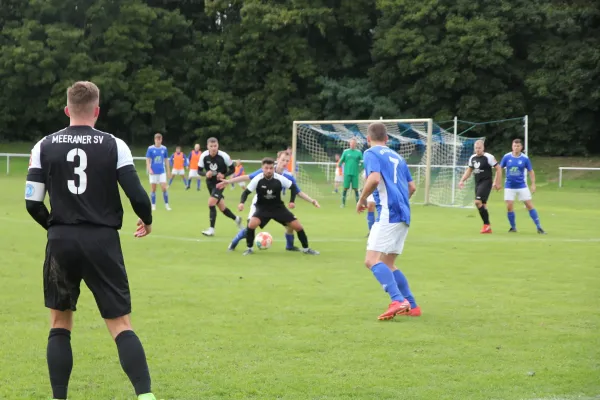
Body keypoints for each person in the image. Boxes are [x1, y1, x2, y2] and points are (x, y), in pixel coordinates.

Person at [24, 81, 157, 400]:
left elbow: (32, 203)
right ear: (97, 111)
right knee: (120, 324)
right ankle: (145, 396)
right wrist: (147, 221)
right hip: (102, 240)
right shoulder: (115, 145)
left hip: (61, 240)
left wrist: (56, 229)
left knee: (59, 322)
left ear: (67, 110)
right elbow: (138, 196)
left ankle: (59, 397)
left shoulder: (44, 145)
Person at [357, 122, 418, 321]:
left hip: (388, 214)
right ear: (387, 139)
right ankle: (412, 305)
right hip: (404, 214)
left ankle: (397, 300)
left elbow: (374, 179)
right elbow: (412, 188)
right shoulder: (398, 157)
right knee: (388, 263)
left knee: (371, 260)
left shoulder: (370, 153)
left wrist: (362, 198)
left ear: (368, 139)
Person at [218, 150, 320, 251]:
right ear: (277, 160)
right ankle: (235, 242)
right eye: (283, 160)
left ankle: (289, 246)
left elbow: (298, 192)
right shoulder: (266, 170)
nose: (284, 162)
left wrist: (312, 201)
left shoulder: (287, 177)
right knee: (250, 227)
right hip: (259, 203)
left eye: (287, 161)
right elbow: (247, 177)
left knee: (291, 224)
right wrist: (229, 181)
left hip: (275, 205)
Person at [498, 139, 546, 234]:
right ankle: (513, 227)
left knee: (529, 205)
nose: (516, 147)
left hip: (522, 186)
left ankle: (539, 227)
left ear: (521, 147)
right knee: (509, 206)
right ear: (512, 146)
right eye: (514, 146)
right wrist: (497, 182)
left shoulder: (525, 158)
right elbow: (499, 169)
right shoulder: (506, 157)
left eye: (518, 146)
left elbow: (531, 171)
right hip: (509, 186)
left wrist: (533, 184)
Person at [197, 137, 243, 236]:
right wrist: (206, 174)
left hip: (220, 183)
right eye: (211, 146)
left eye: (215, 146)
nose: (213, 148)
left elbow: (232, 169)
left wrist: (224, 175)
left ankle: (211, 229)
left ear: (218, 146)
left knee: (211, 203)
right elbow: (199, 170)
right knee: (222, 208)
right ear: (207, 146)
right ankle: (237, 219)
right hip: (210, 183)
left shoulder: (224, 156)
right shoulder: (203, 156)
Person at [458, 140, 502, 233]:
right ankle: (487, 227)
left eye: (479, 148)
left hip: (486, 182)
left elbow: (498, 168)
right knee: (483, 205)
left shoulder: (488, 157)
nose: (478, 150)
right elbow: (469, 170)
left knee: (477, 202)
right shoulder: (472, 158)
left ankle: (486, 225)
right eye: (476, 148)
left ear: (483, 148)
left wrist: (497, 182)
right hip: (477, 183)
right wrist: (462, 180)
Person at [145, 133, 171, 211]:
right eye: (157, 139)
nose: (158, 141)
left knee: (164, 188)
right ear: (155, 140)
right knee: (153, 189)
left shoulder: (164, 149)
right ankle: (153, 205)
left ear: (161, 140)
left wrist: (168, 170)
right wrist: (149, 168)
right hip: (153, 172)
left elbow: (166, 160)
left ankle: (166, 205)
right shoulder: (150, 148)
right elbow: (148, 159)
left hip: (161, 171)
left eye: (160, 139)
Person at [338, 138, 363, 207]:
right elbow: (341, 161)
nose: (352, 144)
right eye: (351, 143)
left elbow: (362, 162)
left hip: (355, 174)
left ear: (356, 144)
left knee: (355, 189)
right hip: (347, 173)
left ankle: (358, 204)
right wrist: (340, 166)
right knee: (345, 188)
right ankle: (343, 203)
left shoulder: (358, 152)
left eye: (354, 143)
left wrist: (360, 169)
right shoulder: (346, 152)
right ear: (349, 144)